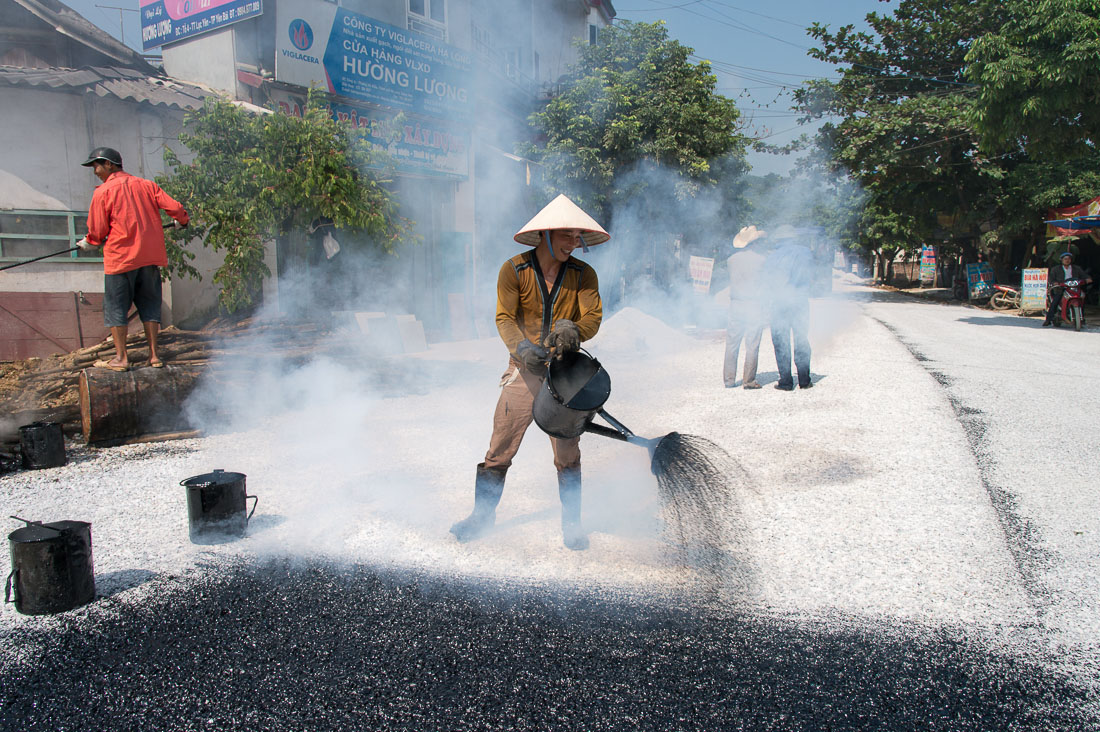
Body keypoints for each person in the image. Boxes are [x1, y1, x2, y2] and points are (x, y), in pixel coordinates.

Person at [450, 194, 607, 551]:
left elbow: (592, 318)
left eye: (577, 236)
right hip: (523, 369)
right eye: (566, 235)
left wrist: (575, 331)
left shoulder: (584, 274)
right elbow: (504, 318)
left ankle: (572, 525)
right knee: (500, 448)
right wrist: (520, 348)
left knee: (567, 453)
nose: (574, 243)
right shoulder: (514, 270)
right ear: (545, 235)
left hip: (565, 374)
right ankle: (481, 517)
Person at [76, 147, 189, 371]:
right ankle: (154, 357)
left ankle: (121, 359)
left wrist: (89, 242)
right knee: (149, 305)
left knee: (116, 308)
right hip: (149, 258)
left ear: (110, 164)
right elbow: (175, 208)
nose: (95, 171)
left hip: (120, 259)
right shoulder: (147, 186)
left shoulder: (103, 192)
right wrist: (182, 221)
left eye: (96, 165)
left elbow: (98, 230)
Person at [765, 224, 814, 391]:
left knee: (780, 341)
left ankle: (786, 381)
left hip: (779, 303)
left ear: (778, 239)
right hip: (800, 301)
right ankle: (804, 380)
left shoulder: (772, 257)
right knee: (801, 338)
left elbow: (768, 282)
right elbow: (811, 275)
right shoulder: (806, 253)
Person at [723, 225, 768, 389]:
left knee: (732, 343)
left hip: (736, 304)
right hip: (753, 304)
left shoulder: (731, 260)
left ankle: (728, 379)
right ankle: (748, 380)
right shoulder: (762, 260)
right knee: (752, 344)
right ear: (755, 242)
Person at [1043, 252, 1092, 327]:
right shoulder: (1056, 269)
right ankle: (1048, 319)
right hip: (1060, 289)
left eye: (1069, 259)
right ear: (1061, 260)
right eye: (1065, 259)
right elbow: (1051, 278)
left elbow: (1083, 275)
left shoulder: (1076, 268)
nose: (1067, 260)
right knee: (1055, 302)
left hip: (1074, 288)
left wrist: (1088, 279)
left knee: (1082, 299)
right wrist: (1055, 283)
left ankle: (1081, 319)